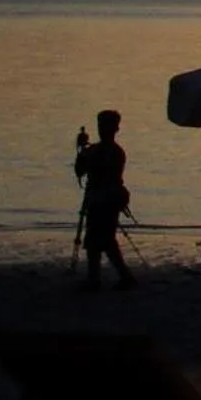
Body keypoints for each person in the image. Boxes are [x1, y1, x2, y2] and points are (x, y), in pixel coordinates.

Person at [74, 109, 135, 290]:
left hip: (106, 199)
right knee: (98, 240)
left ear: (115, 128)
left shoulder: (113, 152)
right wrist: (81, 152)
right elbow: (80, 171)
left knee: (102, 240)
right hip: (100, 199)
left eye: (106, 126)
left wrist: (84, 153)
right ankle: (102, 278)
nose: (102, 130)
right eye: (101, 126)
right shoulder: (100, 150)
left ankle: (101, 279)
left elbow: (98, 171)